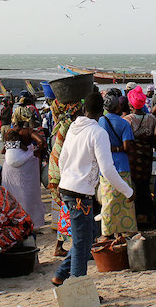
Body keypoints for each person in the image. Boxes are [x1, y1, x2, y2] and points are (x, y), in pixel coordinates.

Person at [51, 93, 134, 285]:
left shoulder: (73, 128)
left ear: (83, 109)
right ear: (101, 111)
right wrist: (127, 191)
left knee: (85, 239)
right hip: (79, 193)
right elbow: (107, 169)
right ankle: (78, 287)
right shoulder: (98, 133)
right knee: (81, 244)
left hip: (69, 188)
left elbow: (62, 159)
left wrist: (68, 180)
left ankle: (61, 275)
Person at [47, 99, 85, 257]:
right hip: (62, 173)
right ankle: (63, 245)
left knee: (67, 209)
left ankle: (62, 244)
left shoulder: (60, 125)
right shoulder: (67, 126)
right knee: (70, 208)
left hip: (57, 171)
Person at [98, 94, 137, 237]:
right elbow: (127, 147)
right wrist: (118, 148)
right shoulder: (124, 123)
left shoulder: (100, 121)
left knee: (108, 201)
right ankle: (125, 230)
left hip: (105, 164)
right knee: (125, 201)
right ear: (117, 107)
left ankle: (108, 231)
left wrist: (110, 149)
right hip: (122, 165)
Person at [124, 86, 156, 228]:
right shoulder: (151, 118)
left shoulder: (127, 120)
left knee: (134, 186)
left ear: (131, 104)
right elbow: (155, 139)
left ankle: (137, 218)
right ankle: (148, 218)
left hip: (132, 159)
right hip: (146, 157)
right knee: (145, 185)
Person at [1, 129, 45, 230]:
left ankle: (16, 221)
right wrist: (36, 151)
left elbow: (3, 151)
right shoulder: (27, 132)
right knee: (28, 195)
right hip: (26, 165)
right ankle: (32, 221)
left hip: (10, 167)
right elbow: (42, 142)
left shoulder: (10, 134)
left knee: (13, 196)